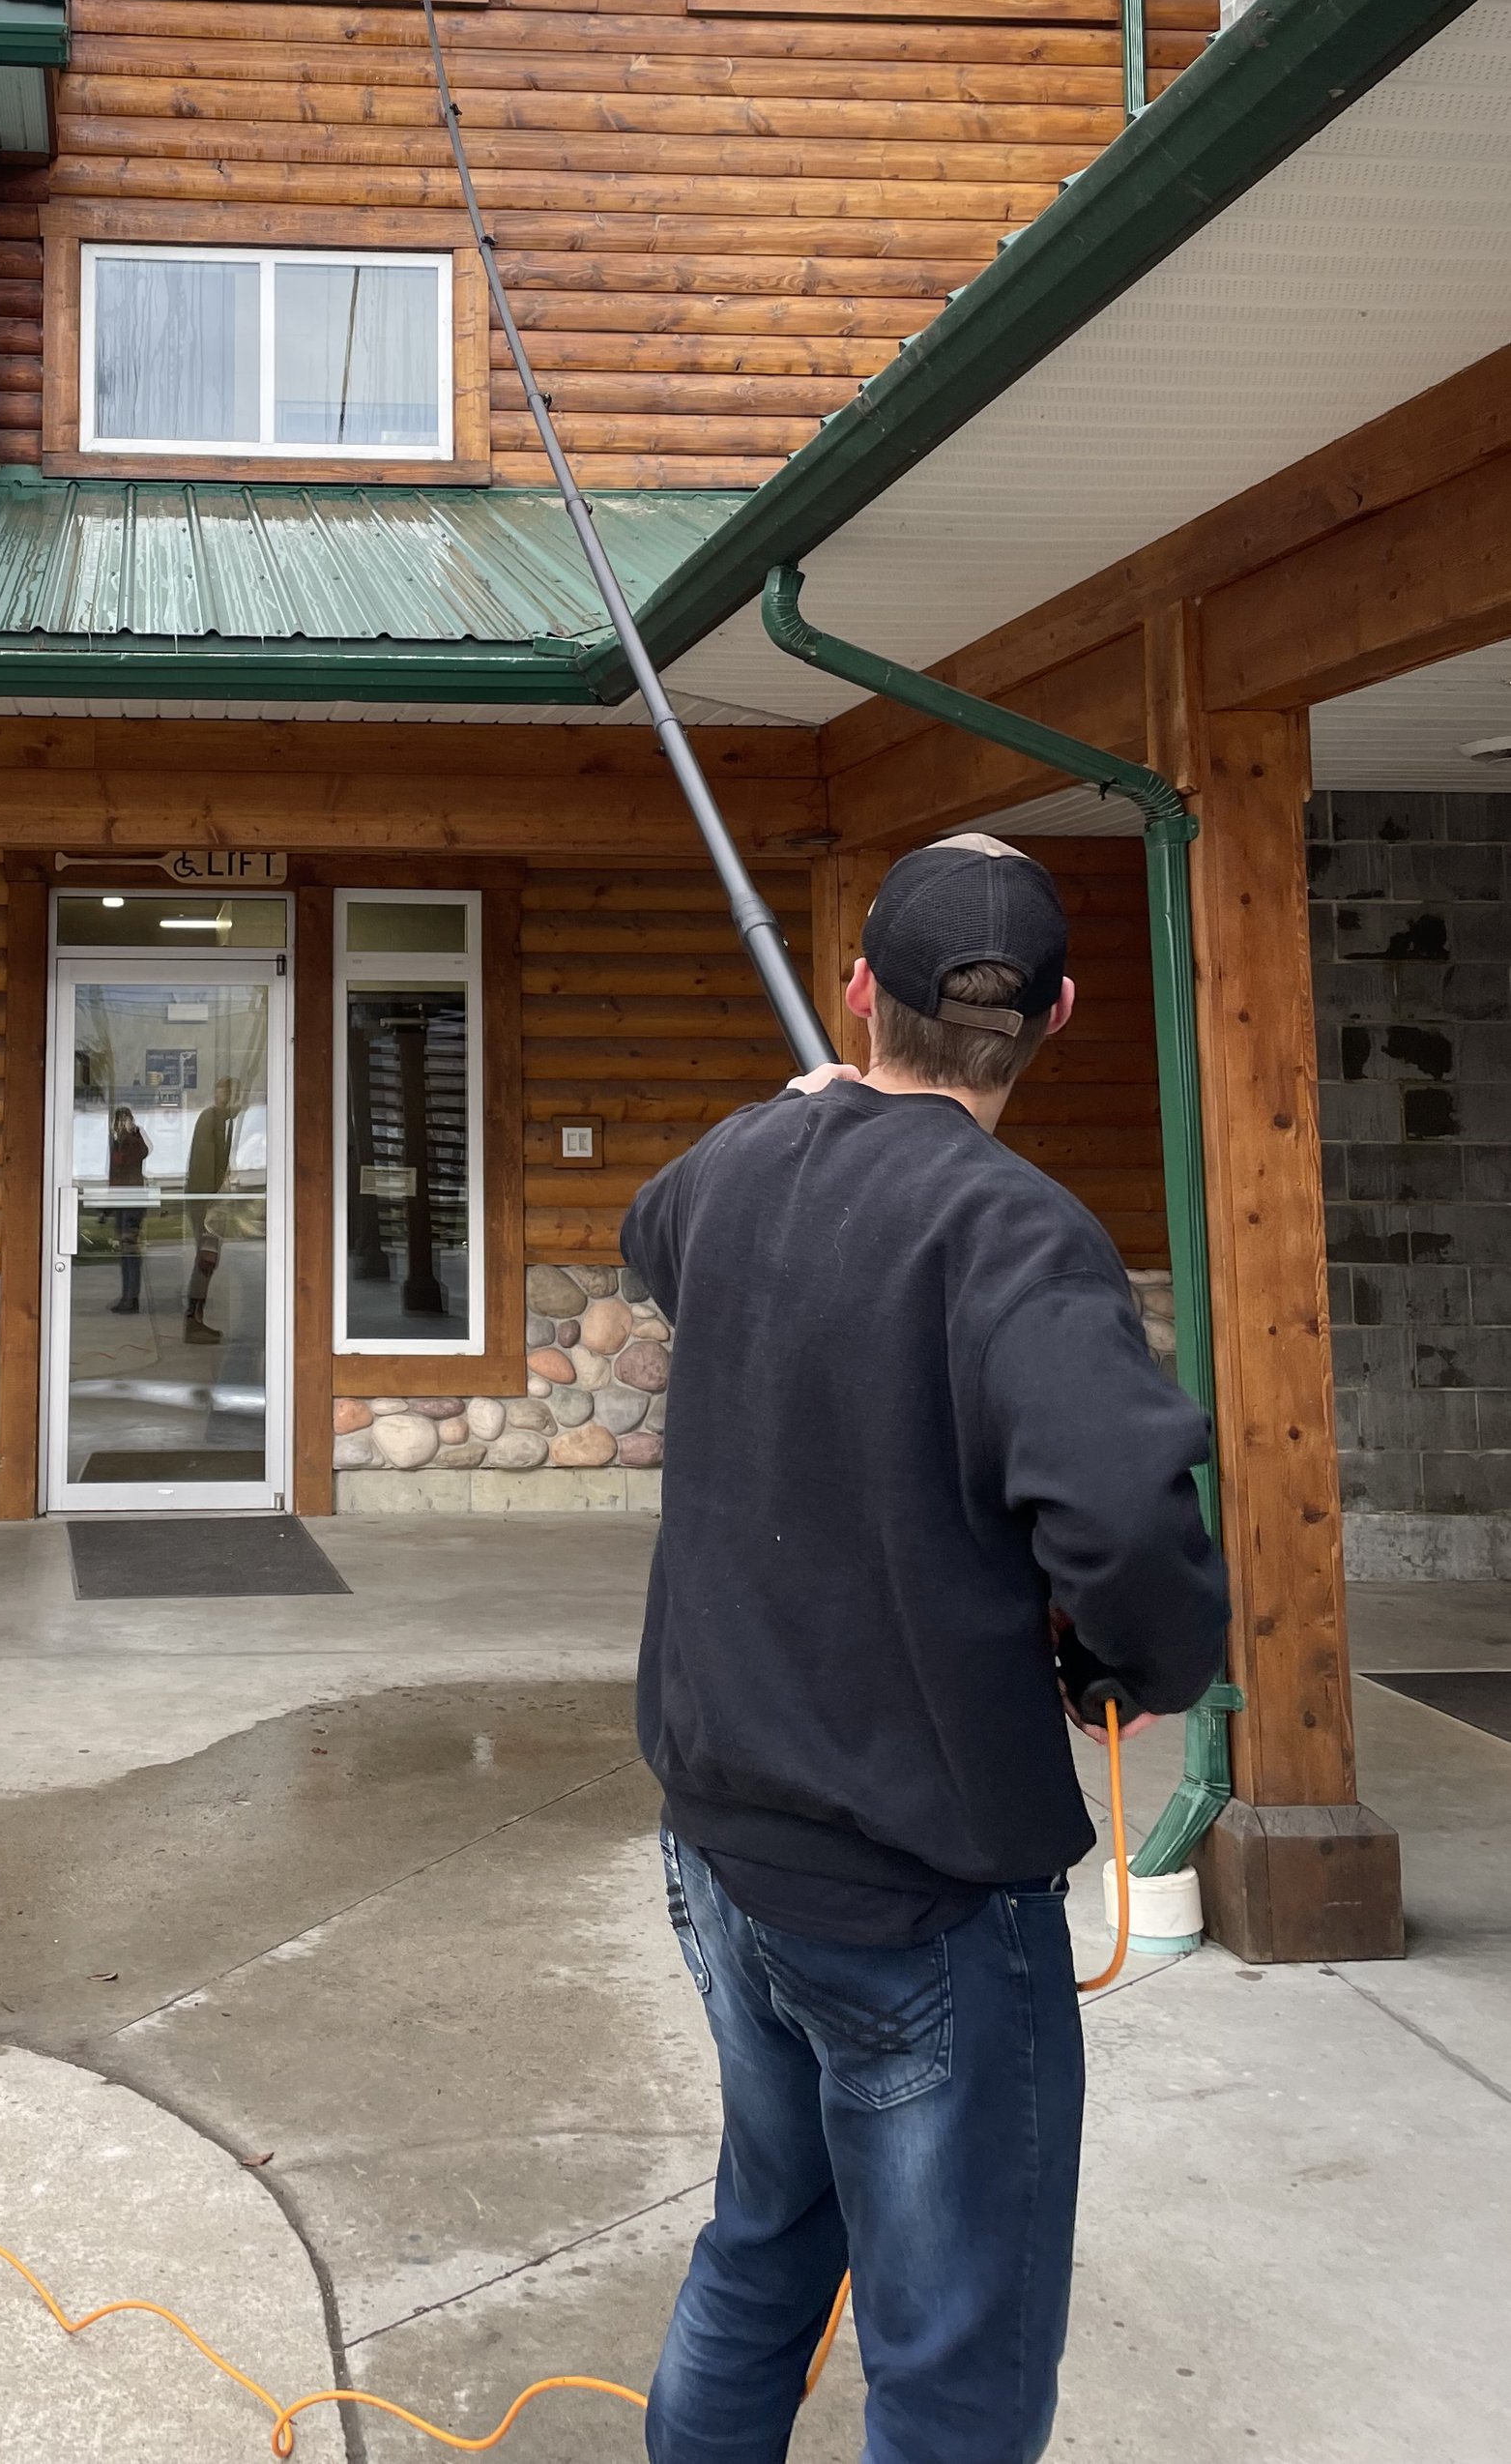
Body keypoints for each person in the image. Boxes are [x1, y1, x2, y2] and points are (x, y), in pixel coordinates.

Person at [624, 834, 1230, 2464]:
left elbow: (652, 1232)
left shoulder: (745, 1164)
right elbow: (1125, 1513)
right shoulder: (1018, 1232)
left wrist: (802, 1113)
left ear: (858, 990)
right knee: (951, 2376)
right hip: (917, 1907)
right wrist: (1135, 1658)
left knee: (762, 2246)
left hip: (728, 1860)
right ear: (1059, 1016)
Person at [182, 1078, 239, 1344]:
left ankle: (196, 1318)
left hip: (210, 1200)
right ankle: (194, 1319)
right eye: (223, 1090)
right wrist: (210, 1203)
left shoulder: (222, 1120)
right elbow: (206, 1164)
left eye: (230, 1092)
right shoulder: (212, 1118)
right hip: (206, 1201)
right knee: (205, 1258)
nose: (226, 1096)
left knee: (208, 1258)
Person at [105, 1103, 151, 1312]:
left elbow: (140, 1154)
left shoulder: (131, 1142)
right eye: (119, 1121)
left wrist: (135, 1132)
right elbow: (115, 1174)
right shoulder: (118, 1142)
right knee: (126, 1251)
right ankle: (128, 1296)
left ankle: (131, 1298)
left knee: (130, 1250)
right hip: (122, 1201)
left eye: (125, 1120)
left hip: (131, 1202)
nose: (120, 1125)